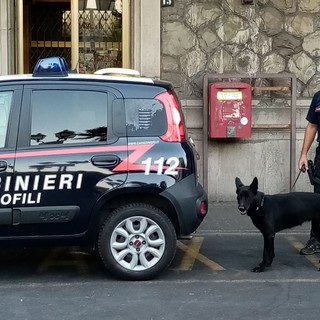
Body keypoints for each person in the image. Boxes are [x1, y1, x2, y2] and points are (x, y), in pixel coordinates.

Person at [298, 90, 320, 255]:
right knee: (318, 201)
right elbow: (312, 125)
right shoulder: (318, 97)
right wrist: (304, 154)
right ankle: (316, 240)